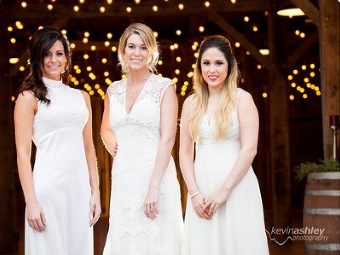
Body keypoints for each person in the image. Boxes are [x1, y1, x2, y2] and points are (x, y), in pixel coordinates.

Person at [14, 27, 101, 254]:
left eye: (59, 53)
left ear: (67, 58)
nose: (54, 60)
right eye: (47, 54)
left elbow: (89, 148)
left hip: (80, 191)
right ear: (37, 58)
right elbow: (23, 155)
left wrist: (96, 192)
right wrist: (31, 201)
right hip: (47, 189)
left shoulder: (82, 97)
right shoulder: (27, 97)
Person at [178, 35, 268, 254]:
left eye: (219, 63)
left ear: (229, 66)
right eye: (206, 63)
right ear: (199, 68)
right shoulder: (191, 103)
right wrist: (194, 193)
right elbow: (184, 152)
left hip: (236, 188)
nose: (212, 69)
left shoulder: (242, 99)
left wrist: (224, 190)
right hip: (201, 191)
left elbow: (249, 149)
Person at [100, 23, 183, 253]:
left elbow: (168, 138)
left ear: (151, 52)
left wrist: (154, 186)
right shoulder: (112, 90)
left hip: (155, 175)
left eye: (143, 47)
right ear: (123, 50)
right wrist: (116, 149)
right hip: (124, 178)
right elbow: (105, 128)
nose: (137, 53)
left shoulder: (165, 88)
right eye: (132, 46)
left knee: (156, 241)